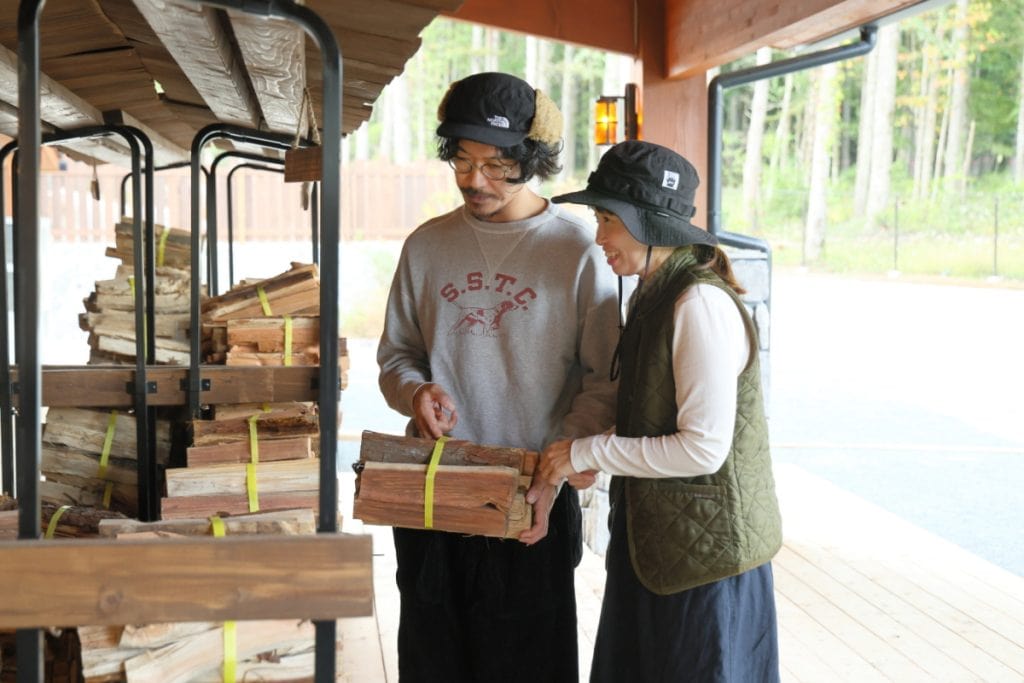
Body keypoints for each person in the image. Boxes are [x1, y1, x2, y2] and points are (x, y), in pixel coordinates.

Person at [376, 72, 619, 682]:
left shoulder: (579, 252)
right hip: (437, 492)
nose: (474, 180)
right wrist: (414, 390)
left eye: (495, 164)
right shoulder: (427, 247)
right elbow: (395, 356)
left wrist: (557, 471)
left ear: (531, 159)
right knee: (433, 666)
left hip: (531, 496)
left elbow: (604, 381)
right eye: (461, 160)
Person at [536, 140, 783, 682]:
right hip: (658, 548)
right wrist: (587, 454)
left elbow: (704, 447)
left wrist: (587, 450)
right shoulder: (650, 295)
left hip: (706, 564)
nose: (598, 236)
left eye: (608, 220)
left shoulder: (699, 304)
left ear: (650, 223)